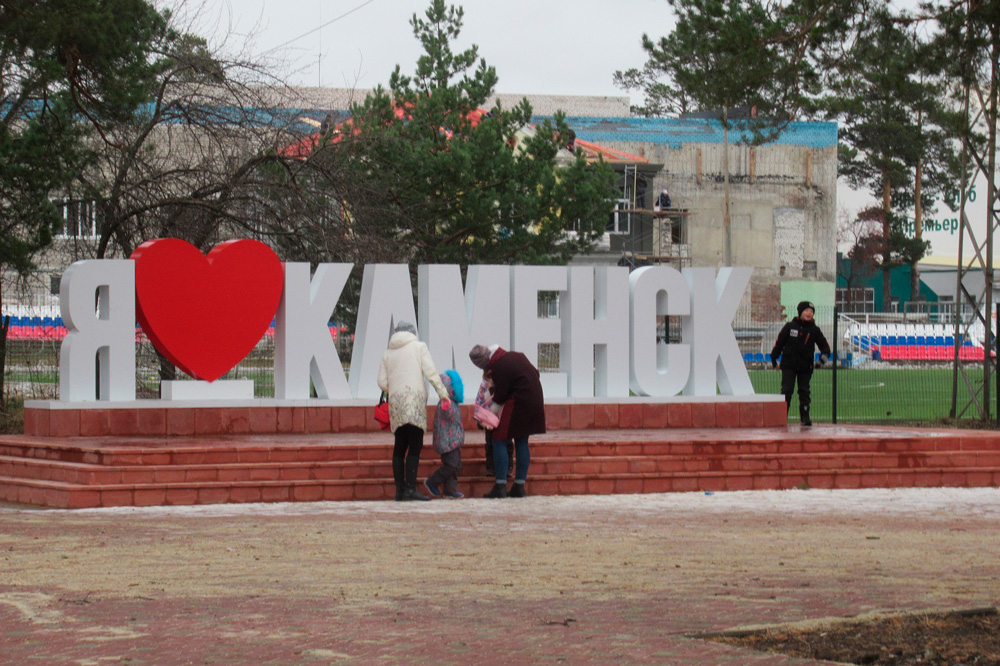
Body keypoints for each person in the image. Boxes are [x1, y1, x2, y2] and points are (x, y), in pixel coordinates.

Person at [378, 321, 451, 501]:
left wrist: (395, 389)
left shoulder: (387, 353)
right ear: (412, 333)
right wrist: (443, 393)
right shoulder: (419, 347)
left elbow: (381, 382)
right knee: (415, 444)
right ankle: (411, 489)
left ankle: (400, 491)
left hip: (397, 403)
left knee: (400, 445)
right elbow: (431, 372)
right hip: (415, 401)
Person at [469, 344, 546, 498]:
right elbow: (535, 373)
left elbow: (500, 396)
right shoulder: (516, 355)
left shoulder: (499, 366)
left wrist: (488, 418)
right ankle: (519, 486)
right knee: (522, 441)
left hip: (518, 402)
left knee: (499, 440)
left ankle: (500, 486)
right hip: (535, 399)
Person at [770, 301, 830, 426]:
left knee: (804, 391)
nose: (809, 313)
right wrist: (774, 359)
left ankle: (805, 416)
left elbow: (826, 348)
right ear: (800, 312)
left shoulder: (814, 330)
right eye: (807, 310)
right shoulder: (790, 326)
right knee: (787, 390)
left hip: (805, 367)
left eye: (812, 311)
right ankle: (782, 417)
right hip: (788, 365)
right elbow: (779, 343)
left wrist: (820, 362)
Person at [424, 370, 465, 499]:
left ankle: (450, 490)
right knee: (451, 465)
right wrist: (446, 403)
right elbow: (447, 413)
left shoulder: (453, 403)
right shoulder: (446, 404)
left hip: (453, 441)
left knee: (455, 466)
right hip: (447, 442)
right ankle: (432, 482)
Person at [473, 371, 513, 479]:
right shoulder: (486, 385)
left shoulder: (501, 383)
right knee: (493, 443)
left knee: (501, 443)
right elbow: (480, 400)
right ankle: (493, 467)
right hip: (492, 419)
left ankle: (503, 467)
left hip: (495, 418)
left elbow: (479, 401)